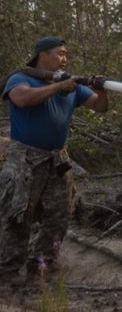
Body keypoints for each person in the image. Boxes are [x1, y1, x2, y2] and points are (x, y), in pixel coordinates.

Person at [0, 37, 108, 281]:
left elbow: (99, 107)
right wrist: (58, 87)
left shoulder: (70, 85)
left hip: (57, 161)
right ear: (42, 55)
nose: (64, 58)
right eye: (59, 53)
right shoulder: (21, 78)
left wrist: (101, 90)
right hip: (26, 161)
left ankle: (42, 267)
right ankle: (7, 272)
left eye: (66, 54)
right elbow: (22, 99)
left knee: (58, 216)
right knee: (18, 216)